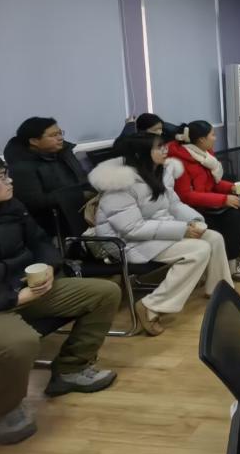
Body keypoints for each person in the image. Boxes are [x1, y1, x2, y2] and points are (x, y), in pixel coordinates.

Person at [0, 151, 120, 445]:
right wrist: (12, 298)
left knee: (104, 293)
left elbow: (39, 240)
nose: (10, 181)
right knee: (19, 342)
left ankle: (71, 368)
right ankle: (1, 408)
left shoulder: (9, 206)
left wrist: (50, 265)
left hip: (25, 289)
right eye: (0, 177)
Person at [87, 134, 232, 336]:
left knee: (213, 237)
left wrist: (193, 221)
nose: (166, 150)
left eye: (164, 146)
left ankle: (218, 289)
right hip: (126, 242)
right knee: (198, 250)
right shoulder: (119, 184)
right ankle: (151, 306)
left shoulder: (159, 172)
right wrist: (181, 230)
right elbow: (131, 228)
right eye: (159, 148)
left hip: (155, 232)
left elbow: (174, 205)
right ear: (140, 154)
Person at [167, 121, 240, 280]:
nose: (215, 138)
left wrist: (232, 188)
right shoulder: (179, 162)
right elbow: (185, 196)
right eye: (212, 135)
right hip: (192, 211)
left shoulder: (205, 155)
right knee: (232, 216)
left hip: (208, 204)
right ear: (201, 139)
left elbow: (213, 183)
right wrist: (223, 199)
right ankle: (232, 265)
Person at [3, 116, 90, 237]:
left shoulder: (64, 152)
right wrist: (78, 194)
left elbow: (81, 178)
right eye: (53, 135)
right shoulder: (21, 166)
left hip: (83, 211)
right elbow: (34, 202)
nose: (60, 138)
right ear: (34, 141)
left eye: (60, 133)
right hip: (54, 224)